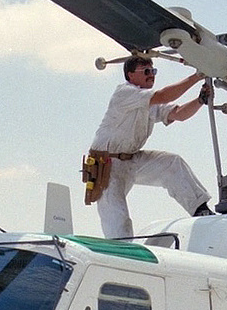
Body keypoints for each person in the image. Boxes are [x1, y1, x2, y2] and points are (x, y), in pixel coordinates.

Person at [87, 57, 213, 238]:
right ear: (130, 75)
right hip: (107, 165)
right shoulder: (125, 92)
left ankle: (200, 210)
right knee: (118, 224)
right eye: (146, 71)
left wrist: (200, 100)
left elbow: (178, 114)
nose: (151, 75)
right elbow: (163, 95)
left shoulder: (149, 102)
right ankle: (122, 255)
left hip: (131, 159)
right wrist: (198, 75)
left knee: (171, 163)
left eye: (153, 71)